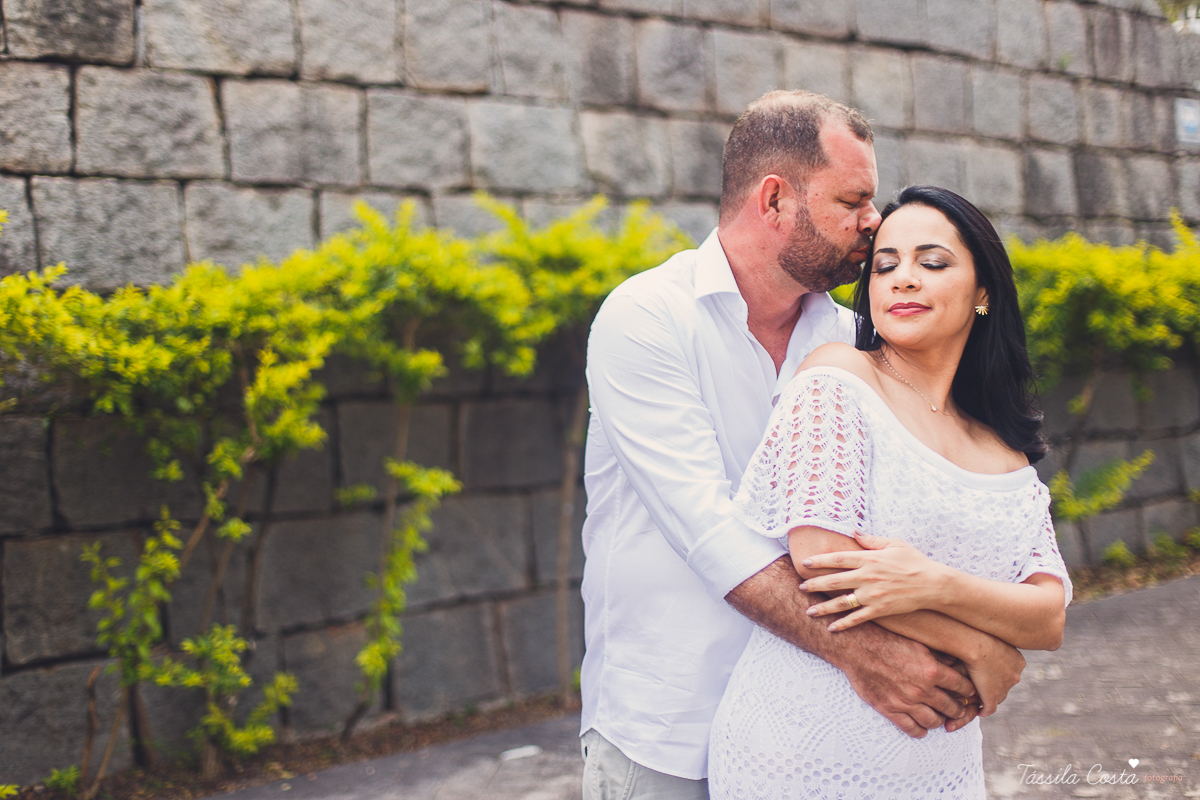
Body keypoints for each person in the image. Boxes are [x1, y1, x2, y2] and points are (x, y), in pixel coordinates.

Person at [579, 91, 1026, 799]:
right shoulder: (646, 320)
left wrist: (977, 636)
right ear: (776, 200)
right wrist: (872, 654)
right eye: (853, 200)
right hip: (671, 730)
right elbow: (711, 532)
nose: (873, 223)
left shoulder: (857, 340)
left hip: (814, 736)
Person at [707, 185, 1072, 799]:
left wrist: (936, 584)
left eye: (932, 263)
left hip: (941, 761)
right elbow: (822, 562)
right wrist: (980, 643)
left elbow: (1047, 615)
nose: (903, 279)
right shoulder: (837, 376)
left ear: (984, 293)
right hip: (800, 751)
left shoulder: (1002, 450)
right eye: (885, 265)